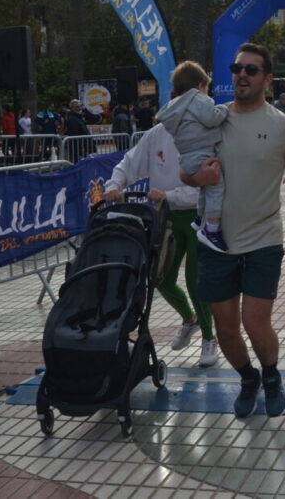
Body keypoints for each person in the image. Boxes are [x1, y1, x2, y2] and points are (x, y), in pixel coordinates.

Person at [181, 42, 285, 419]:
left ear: (267, 79)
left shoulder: (283, 126)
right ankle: (248, 378)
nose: (241, 74)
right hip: (215, 241)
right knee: (225, 329)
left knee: (254, 322)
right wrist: (197, 177)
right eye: (237, 68)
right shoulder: (214, 119)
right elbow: (185, 171)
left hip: (263, 241)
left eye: (251, 70)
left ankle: (272, 376)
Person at [104, 87, 218, 368]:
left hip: (199, 215)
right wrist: (114, 186)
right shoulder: (156, 134)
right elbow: (129, 162)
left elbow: (208, 182)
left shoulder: (206, 132)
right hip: (166, 217)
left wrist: (170, 195)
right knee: (159, 277)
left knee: (195, 279)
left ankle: (208, 337)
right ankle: (189, 318)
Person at [156, 61, 230, 253]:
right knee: (216, 186)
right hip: (202, 154)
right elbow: (212, 118)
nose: (208, 92)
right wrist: (224, 110)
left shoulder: (173, 107)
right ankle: (212, 229)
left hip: (187, 159)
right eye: (207, 87)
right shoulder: (197, 98)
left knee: (204, 189)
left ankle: (199, 218)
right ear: (199, 85)